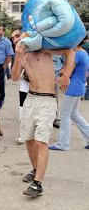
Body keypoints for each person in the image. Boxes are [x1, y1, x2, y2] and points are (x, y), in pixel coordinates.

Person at [12, 40, 75, 197]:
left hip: (47, 100)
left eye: (22, 37)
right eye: (17, 38)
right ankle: (35, 170)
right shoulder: (23, 56)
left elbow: (70, 52)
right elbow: (14, 77)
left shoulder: (45, 50)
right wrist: (18, 57)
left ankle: (37, 184)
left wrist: (66, 75)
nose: (19, 41)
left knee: (41, 142)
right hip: (30, 99)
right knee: (28, 139)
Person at [49, 40, 89, 151]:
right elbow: (86, 72)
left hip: (73, 87)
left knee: (65, 115)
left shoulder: (76, 54)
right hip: (80, 86)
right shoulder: (84, 53)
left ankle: (63, 144)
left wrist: (59, 77)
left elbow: (68, 73)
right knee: (74, 114)